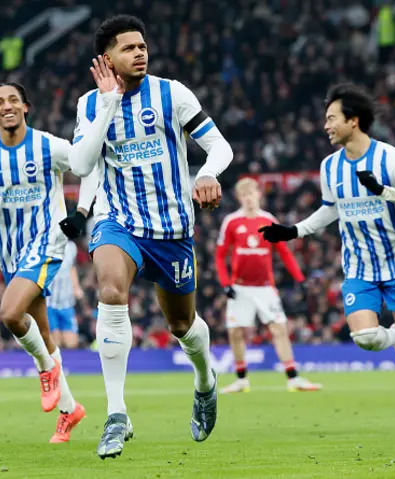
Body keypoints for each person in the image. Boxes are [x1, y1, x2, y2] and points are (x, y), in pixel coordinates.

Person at [59, 15, 234, 459]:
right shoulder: (89, 104)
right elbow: (81, 164)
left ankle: (204, 381)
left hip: (172, 230)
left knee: (182, 326)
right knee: (111, 291)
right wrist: (107, 103)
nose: (140, 52)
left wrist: (208, 173)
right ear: (107, 59)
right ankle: (116, 414)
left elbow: (220, 147)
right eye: (129, 48)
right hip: (118, 221)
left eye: (143, 46)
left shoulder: (172, 93)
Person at [259, 83, 395, 437]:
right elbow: (331, 210)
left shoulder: (390, 158)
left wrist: (383, 191)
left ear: (353, 121)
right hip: (359, 267)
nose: (326, 126)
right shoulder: (330, 167)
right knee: (367, 338)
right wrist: (293, 231)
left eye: (331, 119)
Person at [0, 81, 114, 443]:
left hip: (47, 242)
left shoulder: (48, 145)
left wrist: (81, 211)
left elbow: (88, 165)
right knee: (41, 333)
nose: (7, 106)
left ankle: (46, 369)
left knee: (10, 314)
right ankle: (70, 410)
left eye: (14, 99)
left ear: (25, 107)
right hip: (10, 253)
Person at [215, 178, 322, 393]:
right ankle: (241, 380)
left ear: (259, 195)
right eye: (244, 195)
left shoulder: (268, 220)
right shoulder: (231, 222)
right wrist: (226, 284)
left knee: (279, 329)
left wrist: (299, 279)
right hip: (240, 287)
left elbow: (284, 252)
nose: (249, 198)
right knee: (236, 332)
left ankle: (293, 378)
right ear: (239, 198)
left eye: (252, 193)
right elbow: (219, 256)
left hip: (265, 287)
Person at [47, 239, 84, 349]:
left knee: (72, 343)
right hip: (49, 302)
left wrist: (76, 287)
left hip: (66, 302)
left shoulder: (72, 246)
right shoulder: (46, 245)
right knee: (55, 343)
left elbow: (72, 268)